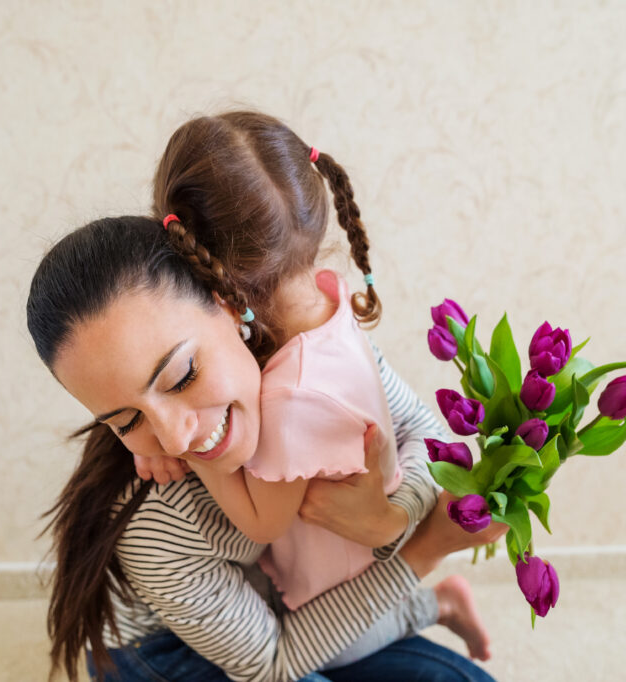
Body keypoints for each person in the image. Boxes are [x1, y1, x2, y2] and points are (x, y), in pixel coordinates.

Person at [144, 111, 491, 666]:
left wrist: (192, 448)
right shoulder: (329, 299)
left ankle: (434, 606)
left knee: (340, 651)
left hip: (340, 575)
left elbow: (264, 522)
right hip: (366, 531)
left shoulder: (290, 398)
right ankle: (435, 602)